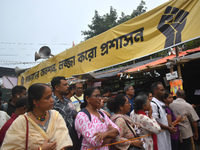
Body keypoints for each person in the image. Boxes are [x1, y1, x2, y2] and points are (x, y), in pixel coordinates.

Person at [1, 83, 72, 150]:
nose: (52, 100)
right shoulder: (21, 122)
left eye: (51, 96)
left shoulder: (56, 116)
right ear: (35, 102)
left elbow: (64, 143)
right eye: (47, 98)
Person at [51, 76, 77, 150]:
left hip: (69, 138)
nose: (68, 86)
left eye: (67, 84)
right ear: (57, 87)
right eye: (65, 85)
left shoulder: (66, 101)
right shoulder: (51, 102)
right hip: (58, 141)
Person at [150, 82, 176, 150]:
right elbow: (153, 121)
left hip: (165, 134)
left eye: (163, 90)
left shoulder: (161, 103)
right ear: (155, 91)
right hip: (159, 136)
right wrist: (167, 128)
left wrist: (170, 126)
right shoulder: (153, 104)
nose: (163, 92)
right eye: (161, 90)